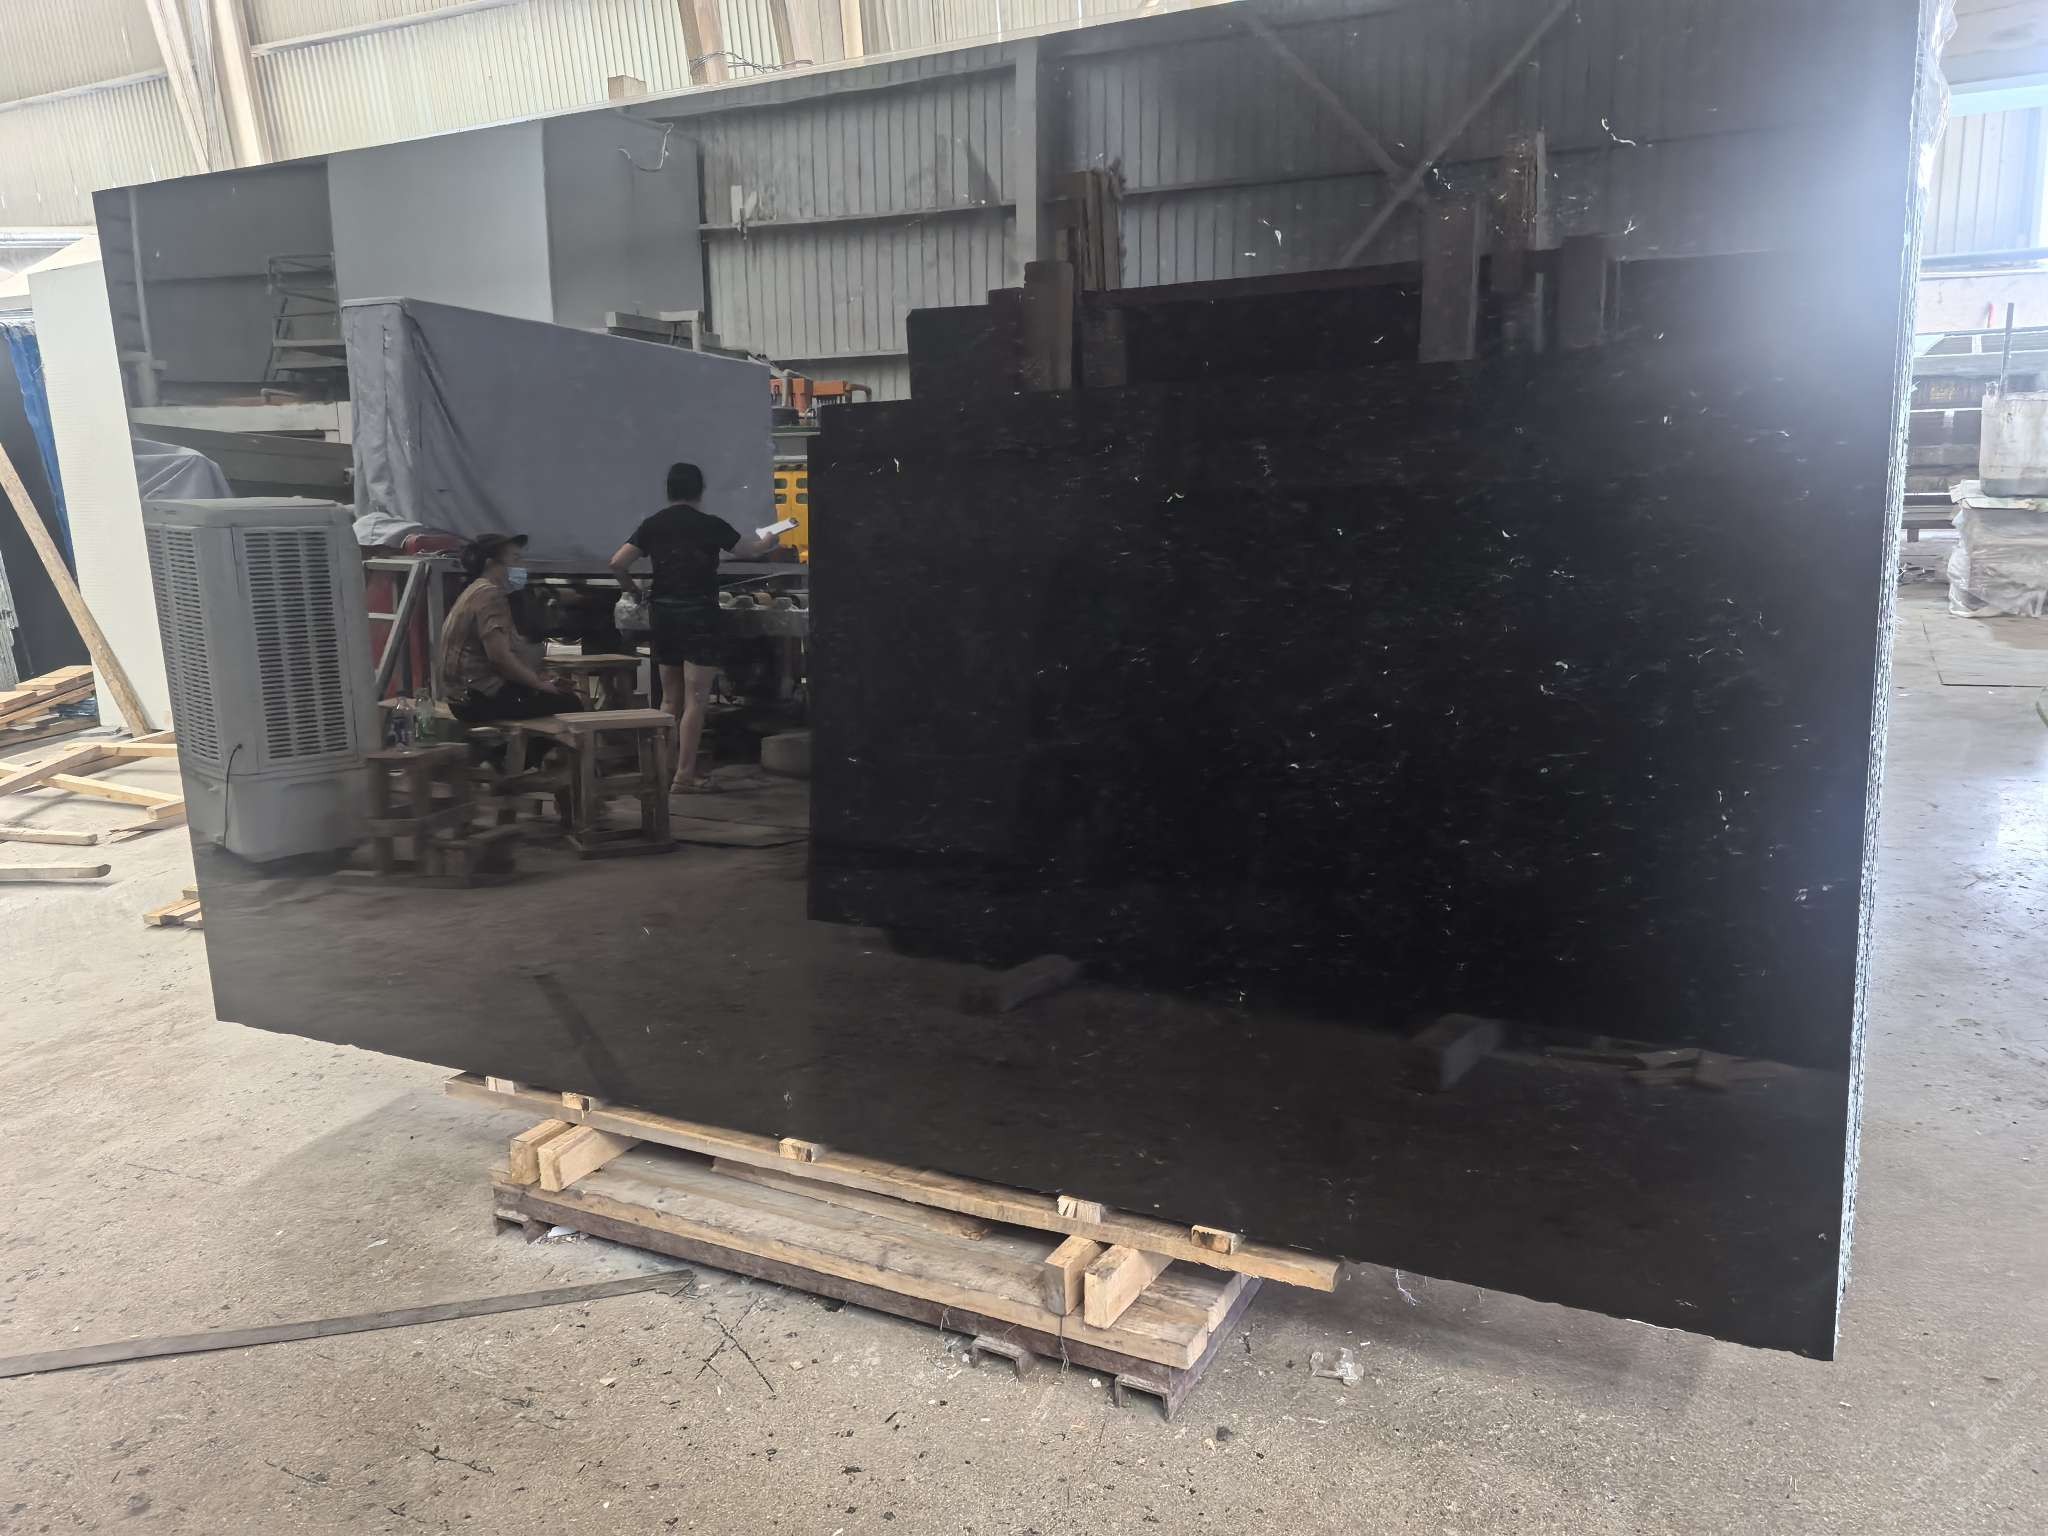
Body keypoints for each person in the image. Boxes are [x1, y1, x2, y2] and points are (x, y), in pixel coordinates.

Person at [609, 462, 780, 793]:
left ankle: (663, 771)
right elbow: (750, 549)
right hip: (700, 616)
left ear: (669, 491)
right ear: (700, 491)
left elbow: (617, 563)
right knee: (696, 699)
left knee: (669, 700)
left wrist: (632, 590)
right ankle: (685, 775)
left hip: (663, 615)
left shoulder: (653, 524)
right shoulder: (710, 524)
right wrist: (769, 539)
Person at [439, 533, 583, 737]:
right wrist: (539, 684)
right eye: (515, 559)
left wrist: (540, 679)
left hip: (462, 697)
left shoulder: (473, 591)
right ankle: (514, 756)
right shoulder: (490, 595)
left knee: (546, 694)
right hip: (479, 698)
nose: (521, 566)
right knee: (571, 704)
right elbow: (500, 658)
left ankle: (502, 753)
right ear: (490, 563)